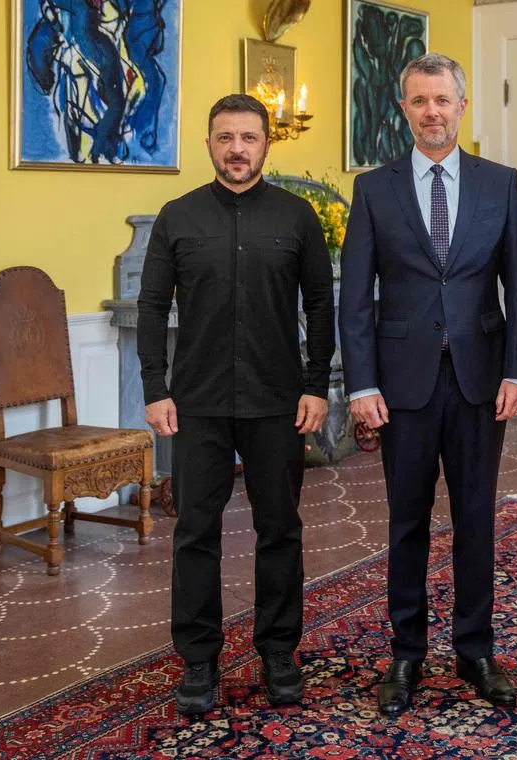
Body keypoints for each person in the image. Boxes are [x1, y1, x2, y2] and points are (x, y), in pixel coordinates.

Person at [338, 53, 517, 717]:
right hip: (401, 386)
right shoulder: (374, 189)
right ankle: (406, 652)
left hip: (482, 381)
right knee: (407, 522)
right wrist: (361, 383)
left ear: (461, 106)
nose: (431, 112)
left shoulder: (498, 183)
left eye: (442, 100)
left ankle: (475, 649)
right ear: (403, 109)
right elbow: (355, 299)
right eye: (418, 101)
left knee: (477, 518)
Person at [137, 94, 334, 715]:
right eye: (225, 137)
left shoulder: (298, 218)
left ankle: (278, 650)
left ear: (266, 144)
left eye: (248, 138)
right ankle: (199, 660)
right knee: (196, 532)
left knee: (280, 529)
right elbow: (150, 307)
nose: (237, 149)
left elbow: (321, 307)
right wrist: (154, 388)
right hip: (196, 403)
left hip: (279, 402)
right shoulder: (177, 217)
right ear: (209, 144)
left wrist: (315, 383)